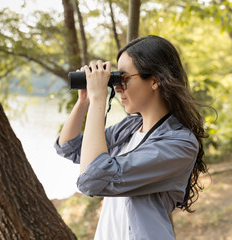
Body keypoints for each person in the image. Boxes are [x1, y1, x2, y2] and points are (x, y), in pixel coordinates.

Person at [54, 35, 209, 240]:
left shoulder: (179, 143)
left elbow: (91, 180)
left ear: (154, 81)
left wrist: (99, 98)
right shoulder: (129, 127)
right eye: (116, 79)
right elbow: (70, 147)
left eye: (124, 78)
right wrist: (84, 101)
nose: (117, 88)